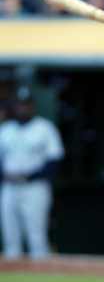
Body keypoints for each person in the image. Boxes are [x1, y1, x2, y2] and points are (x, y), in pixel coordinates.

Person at [0, 86, 64, 260]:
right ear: (15, 107)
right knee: (10, 237)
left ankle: (42, 279)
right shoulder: (5, 130)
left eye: (26, 105)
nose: (23, 108)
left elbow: (54, 161)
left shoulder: (44, 128)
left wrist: (28, 176)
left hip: (35, 187)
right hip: (9, 186)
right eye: (20, 105)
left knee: (36, 236)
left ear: (33, 106)